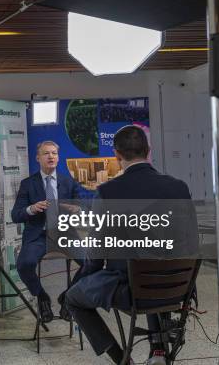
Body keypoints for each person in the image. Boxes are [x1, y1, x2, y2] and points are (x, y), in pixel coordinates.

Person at [65, 125, 194, 365]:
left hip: (134, 289)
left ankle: (123, 360)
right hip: (177, 287)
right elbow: (190, 242)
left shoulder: (108, 192)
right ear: (149, 150)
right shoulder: (179, 187)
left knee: (73, 298)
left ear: (116, 155)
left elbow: (96, 253)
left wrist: (83, 280)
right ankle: (158, 351)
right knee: (153, 265)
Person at [11, 140, 86, 323]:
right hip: (38, 236)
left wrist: (78, 210)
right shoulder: (28, 184)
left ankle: (67, 298)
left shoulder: (69, 182)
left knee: (92, 262)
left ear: (58, 157)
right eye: (46, 153)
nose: (51, 156)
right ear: (38, 158)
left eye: (54, 153)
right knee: (24, 264)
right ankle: (41, 297)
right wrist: (32, 208)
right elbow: (15, 215)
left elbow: (83, 210)